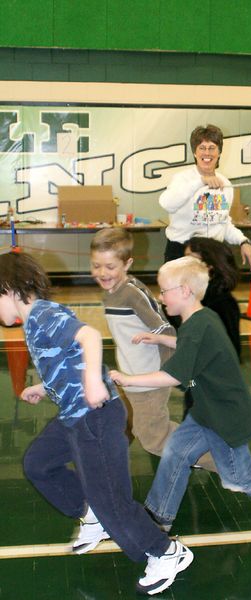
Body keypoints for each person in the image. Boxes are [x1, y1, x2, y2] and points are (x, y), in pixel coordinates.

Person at [0, 251, 193, 596]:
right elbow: (67, 359)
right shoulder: (35, 321)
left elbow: (88, 337)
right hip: (75, 416)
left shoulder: (42, 314)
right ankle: (90, 514)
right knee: (39, 463)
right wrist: (43, 386)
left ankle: (167, 553)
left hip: (96, 417)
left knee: (113, 500)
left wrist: (93, 380)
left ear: (10, 289)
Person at [110, 256, 251, 543]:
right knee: (176, 453)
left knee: (238, 476)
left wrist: (128, 379)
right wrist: (161, 340)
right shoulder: (203, 318)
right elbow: (189, 345)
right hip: (206, 412)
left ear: (185, 291)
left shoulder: (198, 327)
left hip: (223, 418)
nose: (160, 296)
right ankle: (158, 517)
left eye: (164, 290)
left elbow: (172, 376)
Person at [133, 236, 251, 441]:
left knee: (210, 403)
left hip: (214, 367)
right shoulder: (198, 298)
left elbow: (217, 343)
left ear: (209, 266)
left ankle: (194, 449)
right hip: (205, 365)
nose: (185, 263)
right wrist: (164, 335)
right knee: (210, 403)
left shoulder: (219, 301)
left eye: (191, 258)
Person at [89, 227, 216, 472]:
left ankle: (221, 460)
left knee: (153, 439)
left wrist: (167, 373)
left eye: (110, 267)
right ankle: (106, 465)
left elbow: (167, 331)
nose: (102, 273)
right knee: (133, 426)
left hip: (147, 381)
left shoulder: (133, 294)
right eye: (96, 266)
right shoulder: (113, 292)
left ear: (127, 264)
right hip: (132, 377)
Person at [159, 124, 251, 270]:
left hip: (212, 254)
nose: (207, 153)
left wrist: (243, 241)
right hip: (181, 253)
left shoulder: (225, 184)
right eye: (202, 148)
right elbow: (166, 203)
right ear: (195, 153)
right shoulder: (182, 179)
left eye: (212, 148)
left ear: (219, 152)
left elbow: (222, 223)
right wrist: (200, 181)